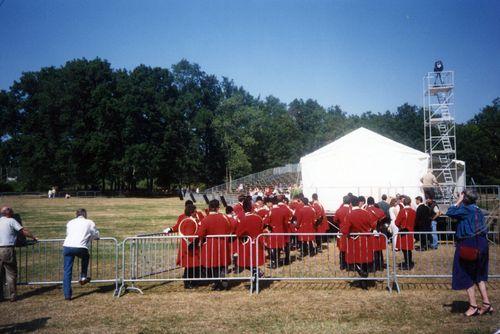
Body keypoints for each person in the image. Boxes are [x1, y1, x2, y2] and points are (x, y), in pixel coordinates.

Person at [446, 190, 493, 317]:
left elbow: (449, 212)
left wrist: (459, 201)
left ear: (465, 199)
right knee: (479, 274)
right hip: (482, 243)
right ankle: (486, 303)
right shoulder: (477, 210)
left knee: (465, 273)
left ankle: (473, 306)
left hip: (469, 243)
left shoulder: (466, 209)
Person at [0, 207, 37, 302]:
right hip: (7, 249)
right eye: (12, 211)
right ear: (8, 213)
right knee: (11, 273)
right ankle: (12, 295)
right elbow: (22, 231)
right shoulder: (11, 220)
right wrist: (33, 237)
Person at [62, 208, 100, 300]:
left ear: (76, 214)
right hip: (80, 247)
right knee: (86, 256)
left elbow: (68, 233)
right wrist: (96, 237)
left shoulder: (70, 222)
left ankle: (67, 295)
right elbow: (95, 234)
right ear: (85, 214)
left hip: (67, 246)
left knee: (67, 271)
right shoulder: (89, 222)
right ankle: (83, 276)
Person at [341, 196, 376, 289]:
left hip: (355, 240)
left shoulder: (350, 214)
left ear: (351, 204)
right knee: (364, 261)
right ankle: (364, 282)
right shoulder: (366, 213)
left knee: (353, 260)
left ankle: (362, 275)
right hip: (366, 240)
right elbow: (373, 225)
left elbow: (345, 230)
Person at [197, 199, 232, 291]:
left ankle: (216, 282)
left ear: (209, 208)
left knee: (213, 264)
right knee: (222, 263)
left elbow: (200, 233)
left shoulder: (206, 219)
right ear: (218, 208)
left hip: (210, 245)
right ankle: (222, 280)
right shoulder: (224, 217)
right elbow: (230, 228)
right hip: (223, 244)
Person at [235, 197, 265, 288]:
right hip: (257, 242)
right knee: (253, 263)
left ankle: (256, 279)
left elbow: (238, 233)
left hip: (247, 244)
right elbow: (261, 229)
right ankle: (256, 278)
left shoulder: (244, 219)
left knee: (246, 263)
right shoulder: (258, 218)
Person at [263, 197, 289, 268]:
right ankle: (278, 261)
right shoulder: (282, 210)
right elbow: (285, 221)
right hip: (281, 231)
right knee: (278, 247)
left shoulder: (271, 211)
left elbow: (266, 221)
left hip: (273, 231)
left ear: (272, 202)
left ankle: (274, 263)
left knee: (272, 248)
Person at [365, 197, 386, 271]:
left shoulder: (365, 211)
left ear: (367, 202)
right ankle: (380, 265)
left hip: (369, 233)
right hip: (378, 231)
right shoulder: (379, 210)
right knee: (379, 249)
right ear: (374, 202)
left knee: (371, 250)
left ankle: (372, 266)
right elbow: (384, 219)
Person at [395, 197, 416, 270]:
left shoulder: (402, 211)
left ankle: (407, 264)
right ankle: (409, 262)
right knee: (409, 249)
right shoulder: (413, 211)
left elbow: (397, 222)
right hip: (410, 232)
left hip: (403, 232)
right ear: (410, 203)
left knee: (405, 249)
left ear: (403, 203)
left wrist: (400, 226)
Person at [334, 196, 351, 270]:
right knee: (350, 248)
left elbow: (335, 220)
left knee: (342, 249)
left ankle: (342, 265)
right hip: (350, 232)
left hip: (342, 231)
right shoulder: (351, 209)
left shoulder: (339, 210)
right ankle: (349, 265)